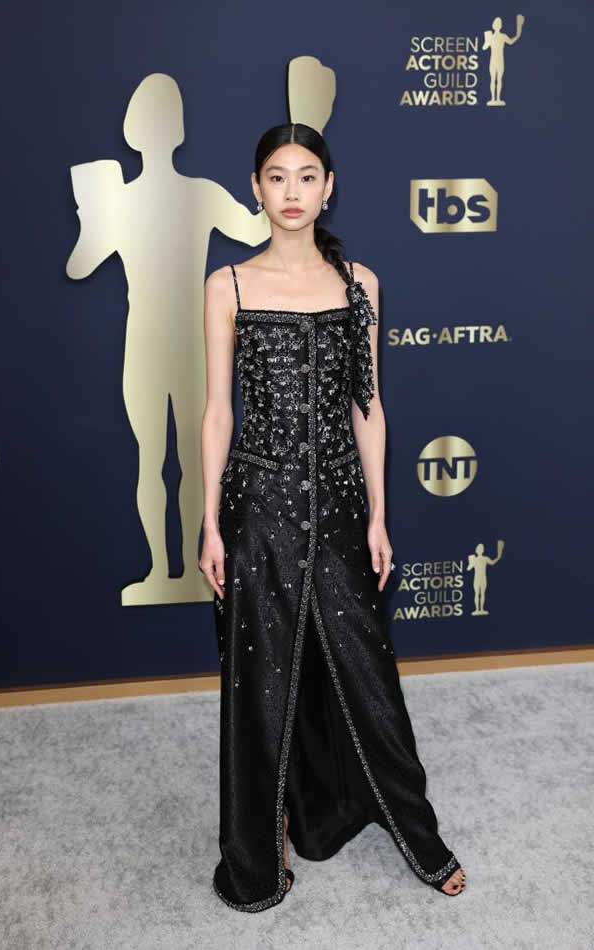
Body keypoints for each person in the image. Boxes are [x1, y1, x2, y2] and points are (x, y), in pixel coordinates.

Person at [199, 122, 466, 912]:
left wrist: (380, 516)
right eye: (277, 177)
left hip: (344, 506)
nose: (292, 192)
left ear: (329, 187)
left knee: (368, 678)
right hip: (258, 508)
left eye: (307, 176)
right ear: (256, 188)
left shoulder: (361, 284)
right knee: (260, 685)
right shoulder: (228, 285)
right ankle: (260, 848)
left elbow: (368, 409)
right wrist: (210, 524)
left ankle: (416, 833)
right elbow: (218, 413)